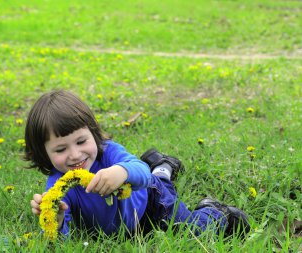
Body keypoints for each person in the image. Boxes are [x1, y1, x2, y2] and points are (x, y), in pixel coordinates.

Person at [25, 89, 250, 239]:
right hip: (124, 229)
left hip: (152, 203)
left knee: (190, 231)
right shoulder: (57, 186)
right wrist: (57, 219)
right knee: (161, 179)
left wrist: (121, 171)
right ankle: (164, 165)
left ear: (93, 134)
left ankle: (216, 212)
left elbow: (140, 171)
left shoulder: (108, 153)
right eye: (61, 149)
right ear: (43, 153)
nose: (75, 154)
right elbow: (60, 240)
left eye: (81, 141)